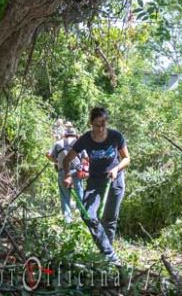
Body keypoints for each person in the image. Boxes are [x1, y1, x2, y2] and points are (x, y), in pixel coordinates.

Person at [63, 107, 130, 264]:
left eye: (103, 124)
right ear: (91, 123)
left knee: (109, 219)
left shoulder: (115, 136)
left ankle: (106, 257)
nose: (100, 128)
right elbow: (67, 160)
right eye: (97, 124)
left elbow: (126, 158)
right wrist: (67, 175)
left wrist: (116, 168)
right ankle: (111, 255)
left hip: (115, 180)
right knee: (88, 215)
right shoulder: (85, 139)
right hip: (95, 182)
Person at [46, 126, 85, 223]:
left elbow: (48, 154)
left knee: (64, 196)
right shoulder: (78, 143)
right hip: (76, 171)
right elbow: (86, 158)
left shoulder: (58, 143)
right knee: (79, 194)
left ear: (65, 135)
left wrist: (56, 161)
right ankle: (81, 218)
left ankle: (67, 221)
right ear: (75, 135)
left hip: (63, 172)